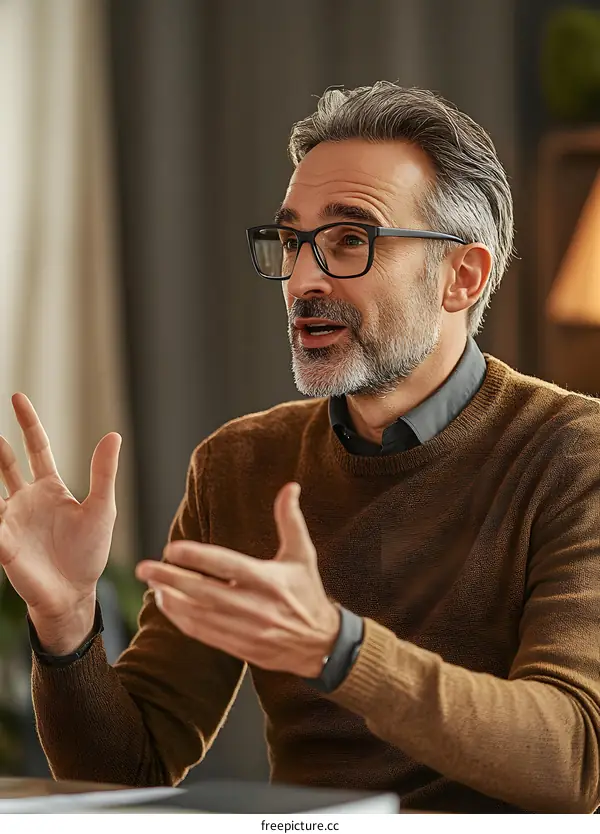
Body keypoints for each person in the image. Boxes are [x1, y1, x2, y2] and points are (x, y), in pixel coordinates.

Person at [0, 82, 599, 814]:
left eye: (350, 239)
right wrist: (67, 621)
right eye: (292, 242)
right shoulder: (241, 464)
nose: (305, 279)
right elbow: (129, 770)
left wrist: (340, 650)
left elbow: (575, 760)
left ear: (460, 277)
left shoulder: (575, 454)